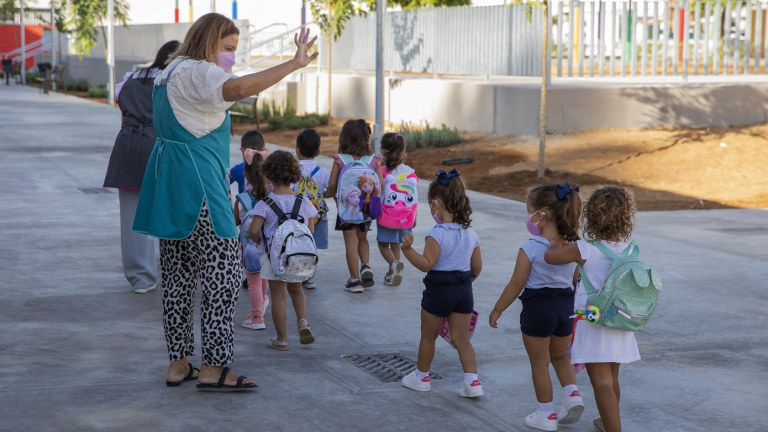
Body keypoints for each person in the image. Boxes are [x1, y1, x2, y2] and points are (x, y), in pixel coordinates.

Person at [132, 13, 318, 391]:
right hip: (200, 184)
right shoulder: (200, 71)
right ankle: (214, 366)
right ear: (208, 42)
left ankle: (178, 364)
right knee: (224, 277)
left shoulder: (170, 71)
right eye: (228, 48)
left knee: (178, 279)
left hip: (170, 185)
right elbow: (239, 88)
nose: (231, 56)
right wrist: (293, 64)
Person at [488, 182, 585, 431]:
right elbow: (577, 281)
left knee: (540, 363)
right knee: (560, 356)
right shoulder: (573, 247)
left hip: (538, 309)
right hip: (565, 308)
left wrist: (498, 309)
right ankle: (572, 394)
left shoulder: (530, 247)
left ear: (541, 214)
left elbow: (516, 283)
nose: (528, 217)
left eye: (529, 212)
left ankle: (546, 415)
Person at [544, 186, 641, 432]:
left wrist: (554, 243)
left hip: (593, 321)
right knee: (612, 379)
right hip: (620, 320)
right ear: (626, 217)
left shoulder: (585, 249)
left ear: (590, 216)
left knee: (601, 382)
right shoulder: (630, 249)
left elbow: (550, 258)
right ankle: (607, 424)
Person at [103, 40, 179, 294]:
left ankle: (141, 278)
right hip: (162, 146)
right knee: (176, 210)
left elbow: (123, 115)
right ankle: (181, 272)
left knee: (132, 216)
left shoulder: (131, 78)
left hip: (128, 148)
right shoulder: (175, 80)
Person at [400, 169, 484, 398]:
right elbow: (477, 267)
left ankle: (421, 377)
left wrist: (407, 250)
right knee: (462, 339)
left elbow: (427, 264)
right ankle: (473, 382)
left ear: (436, 203)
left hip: (439, 290)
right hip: (464, 290)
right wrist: (463, 283)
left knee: (428, 336)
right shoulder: (471, 233)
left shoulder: (436, 234)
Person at [247, 150, 318, 351]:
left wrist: (260, 242)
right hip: (298, 256)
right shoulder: (303, 202)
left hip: (274, 257)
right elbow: (310, 230)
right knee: (297, 290)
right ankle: (303, 322)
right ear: (294, 174)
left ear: (268, 175)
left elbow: (253, 231)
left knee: (278, 296)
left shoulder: (265, 204)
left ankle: (282, 340)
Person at [324, 119, 384, 293]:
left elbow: (332, 185)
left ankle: (354, 281)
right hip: (366, 209)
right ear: (366, 139)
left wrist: (327, 194)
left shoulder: (340, 160)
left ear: (344, 139)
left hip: (346, 211)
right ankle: (365, 265)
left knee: (351, 243)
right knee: (363, 239)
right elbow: (380, 184)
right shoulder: (373, 160)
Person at [235, 146, 271, 330]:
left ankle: (257, 316)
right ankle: (262, 302)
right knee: (264, 275)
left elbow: (234, 222)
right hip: (269, 247)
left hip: (249, 247)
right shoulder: (272, 198)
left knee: (253, 279)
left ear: (246, 175)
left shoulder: (241, 199)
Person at [376, 133, 418, 287]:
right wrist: (414, 218)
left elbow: (377, 193)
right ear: (403, 151)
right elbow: (414, 199)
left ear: (383, 151)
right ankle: (392, 274)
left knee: (383, 245)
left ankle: (394, 264)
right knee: (396, 244)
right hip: (406, 216)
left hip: (387, 215)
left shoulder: (382, 172)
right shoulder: (410, 173)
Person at [291, 128, 330, 290]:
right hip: (317, 217)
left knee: (299, 244)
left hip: (297, 217)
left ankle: (299, 273)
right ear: (319, 152)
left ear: (297, 150)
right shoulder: (322, 172)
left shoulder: (293, 171)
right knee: (312, 246)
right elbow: (329, 191)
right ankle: (310, 277)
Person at [229, 130, 266, 195]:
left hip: (243, 202)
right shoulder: (269, 168)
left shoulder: (238, 169)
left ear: (242, 150)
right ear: (263, 150)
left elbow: (222, 185)